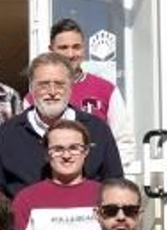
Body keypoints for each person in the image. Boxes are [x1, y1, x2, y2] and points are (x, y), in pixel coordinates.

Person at [0, 52, 123, 197]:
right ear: (31, 88)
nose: (52, 92)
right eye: (44, 85)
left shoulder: (97, 130)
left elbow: (115, 187)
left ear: (71, 87)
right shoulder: (8, 134)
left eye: (59, 84)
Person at [11, 120, 104, 230]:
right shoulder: (27, 200)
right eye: (58, 149)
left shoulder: (103, 196)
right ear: (47, 154)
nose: (66, 155)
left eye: (74, 148)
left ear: (86, 151)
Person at [49, 18, 135, 167]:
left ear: (84, 49)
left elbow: (124, 142)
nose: (70, 54)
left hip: (97, 182)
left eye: (76, 47)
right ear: (51, 50)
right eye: (63, 48)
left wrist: (106, 172)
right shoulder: (35, 96)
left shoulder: (106, 90)